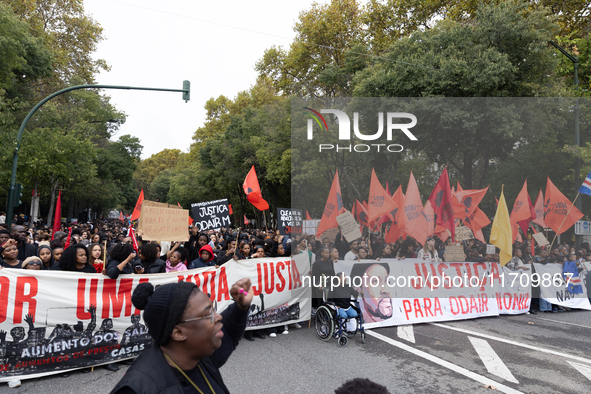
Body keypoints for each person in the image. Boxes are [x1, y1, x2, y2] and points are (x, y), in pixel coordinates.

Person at [110, 278, 253, 394]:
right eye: (208, 314)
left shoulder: (198, 352)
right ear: (178, 333)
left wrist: (241, 307)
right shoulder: (139, 388)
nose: (218, 317)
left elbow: (229, 332)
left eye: (213, 309)